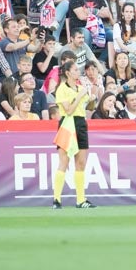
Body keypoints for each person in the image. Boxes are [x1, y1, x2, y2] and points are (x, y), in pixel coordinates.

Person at [52, 61, 95, 209]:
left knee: (81, 163)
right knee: (64, 162)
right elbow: (68, 110)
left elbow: (89, 107)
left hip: (81, 123)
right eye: (76, 70)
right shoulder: (61, 89)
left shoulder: (81, 88)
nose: (79, 72)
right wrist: (79, 96)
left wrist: (92, 98)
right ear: (68, 73)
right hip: (67, 124)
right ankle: (56, 199)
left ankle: (81, 200)